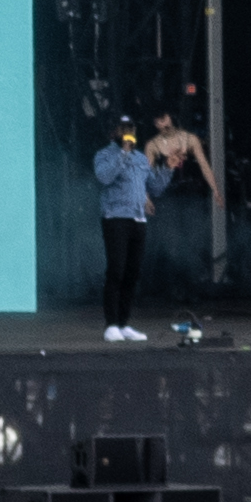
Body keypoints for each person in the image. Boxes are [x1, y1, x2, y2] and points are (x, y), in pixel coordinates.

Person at [93, 124, 180, 341]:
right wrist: (123, 153)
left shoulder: (141, 159)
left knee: (132, 273)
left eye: (130, 129)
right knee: (116, 270)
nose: (127, 132)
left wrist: (167, 168)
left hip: (138, 218)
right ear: (113, 133)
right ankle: (111, 324)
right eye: (122, 129)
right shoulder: (104, 155)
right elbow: (104, 177)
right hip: (115, 217)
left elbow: (155, 187)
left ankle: (123, 323)